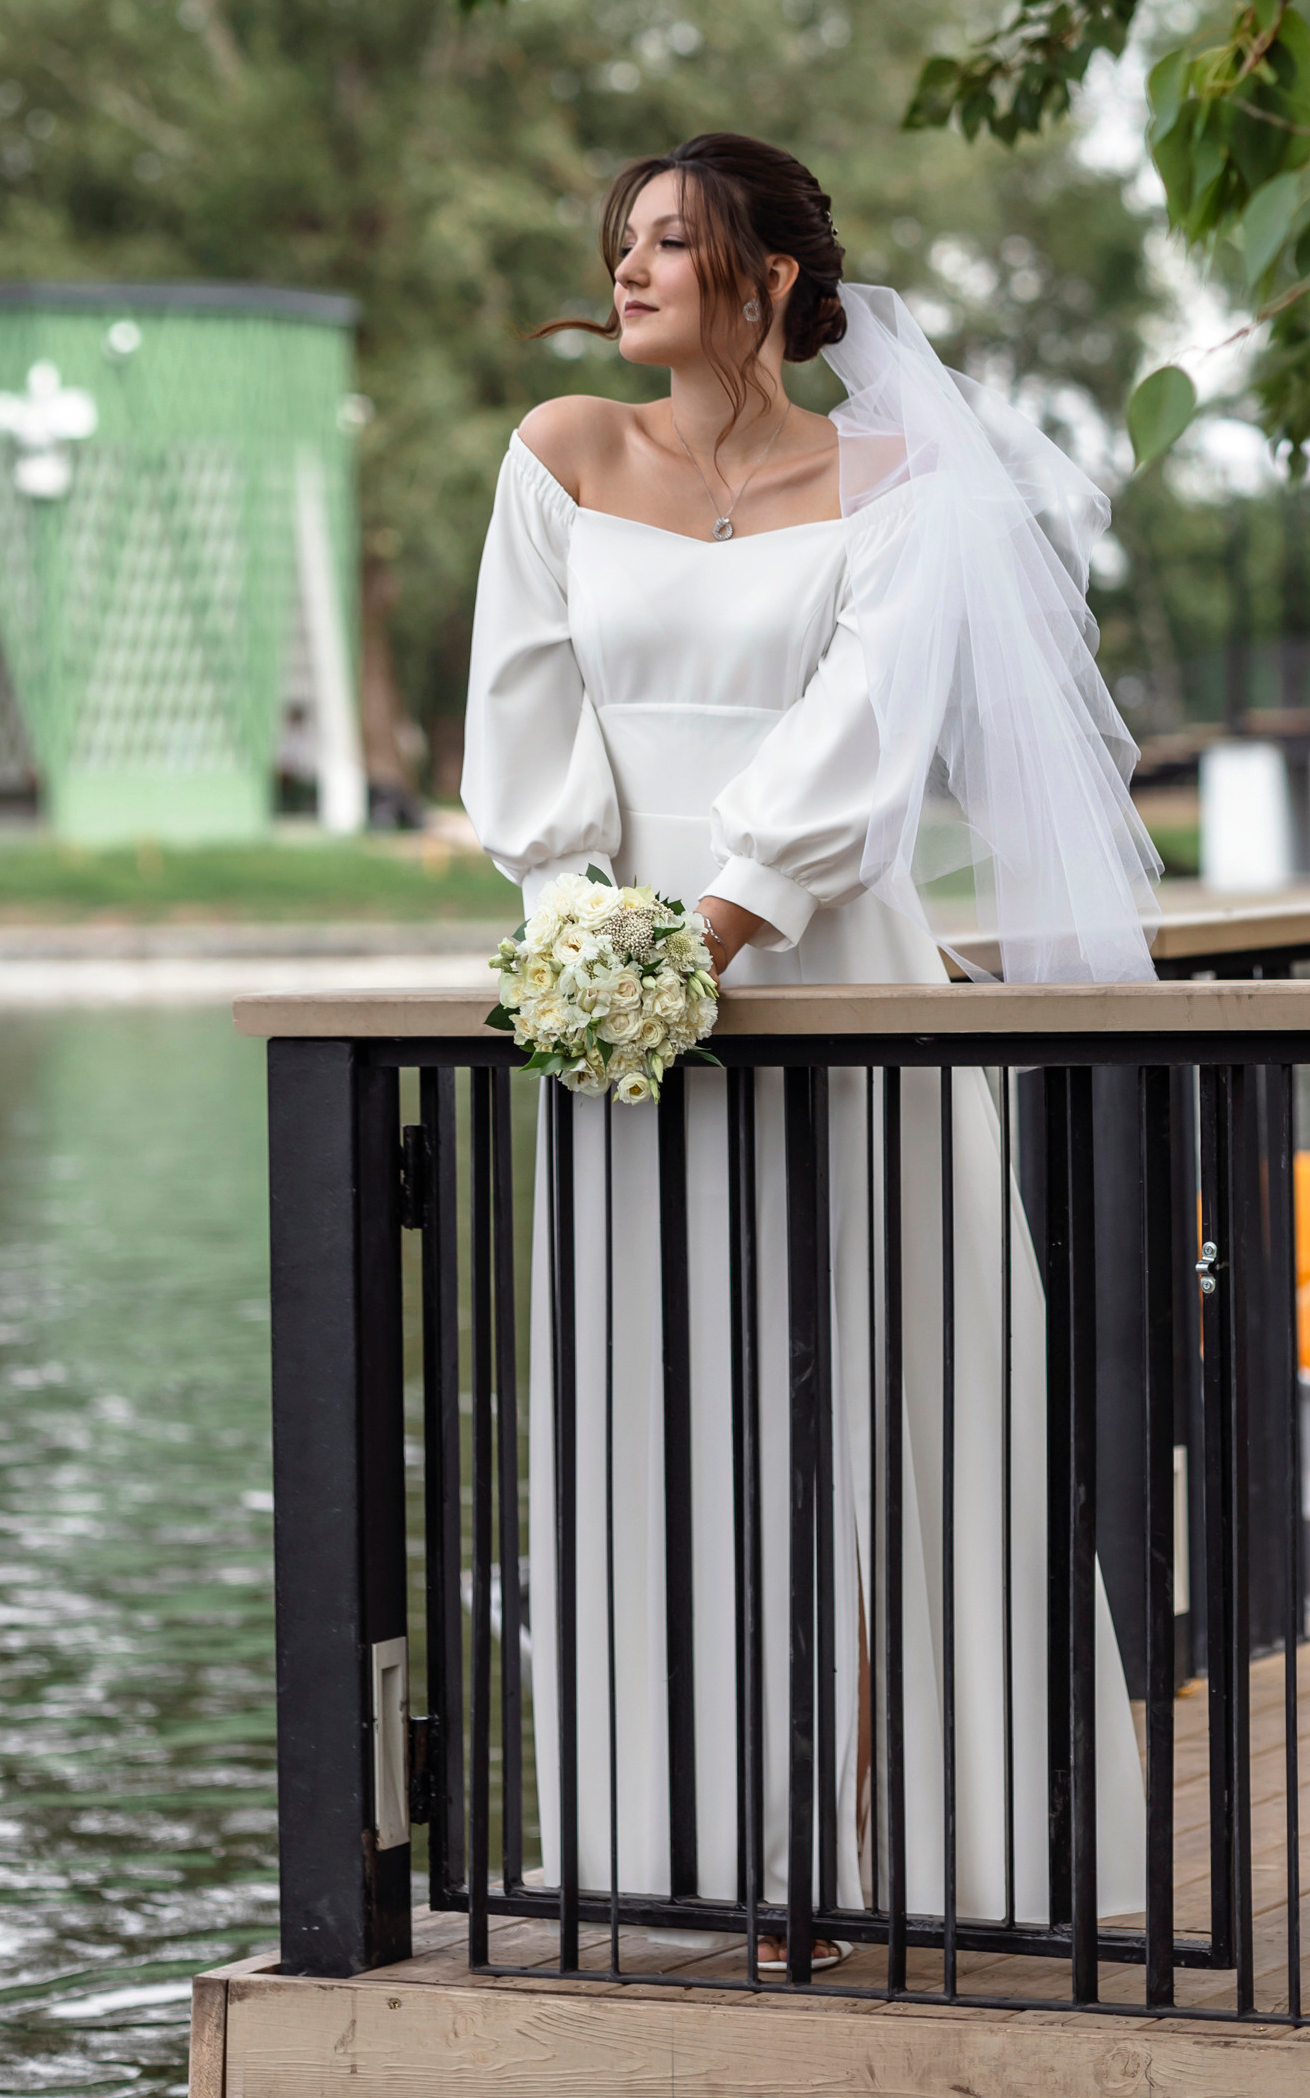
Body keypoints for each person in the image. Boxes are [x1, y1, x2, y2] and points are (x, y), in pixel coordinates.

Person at [459, 133, 1161, 1953]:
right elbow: (525, 734)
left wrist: (713, 934)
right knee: (659, 1422)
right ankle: (695, 1850)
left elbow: (863, 736)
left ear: (769, 277)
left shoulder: (903, 484)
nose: (627, 271)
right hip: (617, 1020)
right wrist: (594, 960)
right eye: (621, 242)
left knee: (873, 1415)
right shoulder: (559, 453)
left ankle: (866, 1857)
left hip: (832, 976)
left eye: (671, 243)